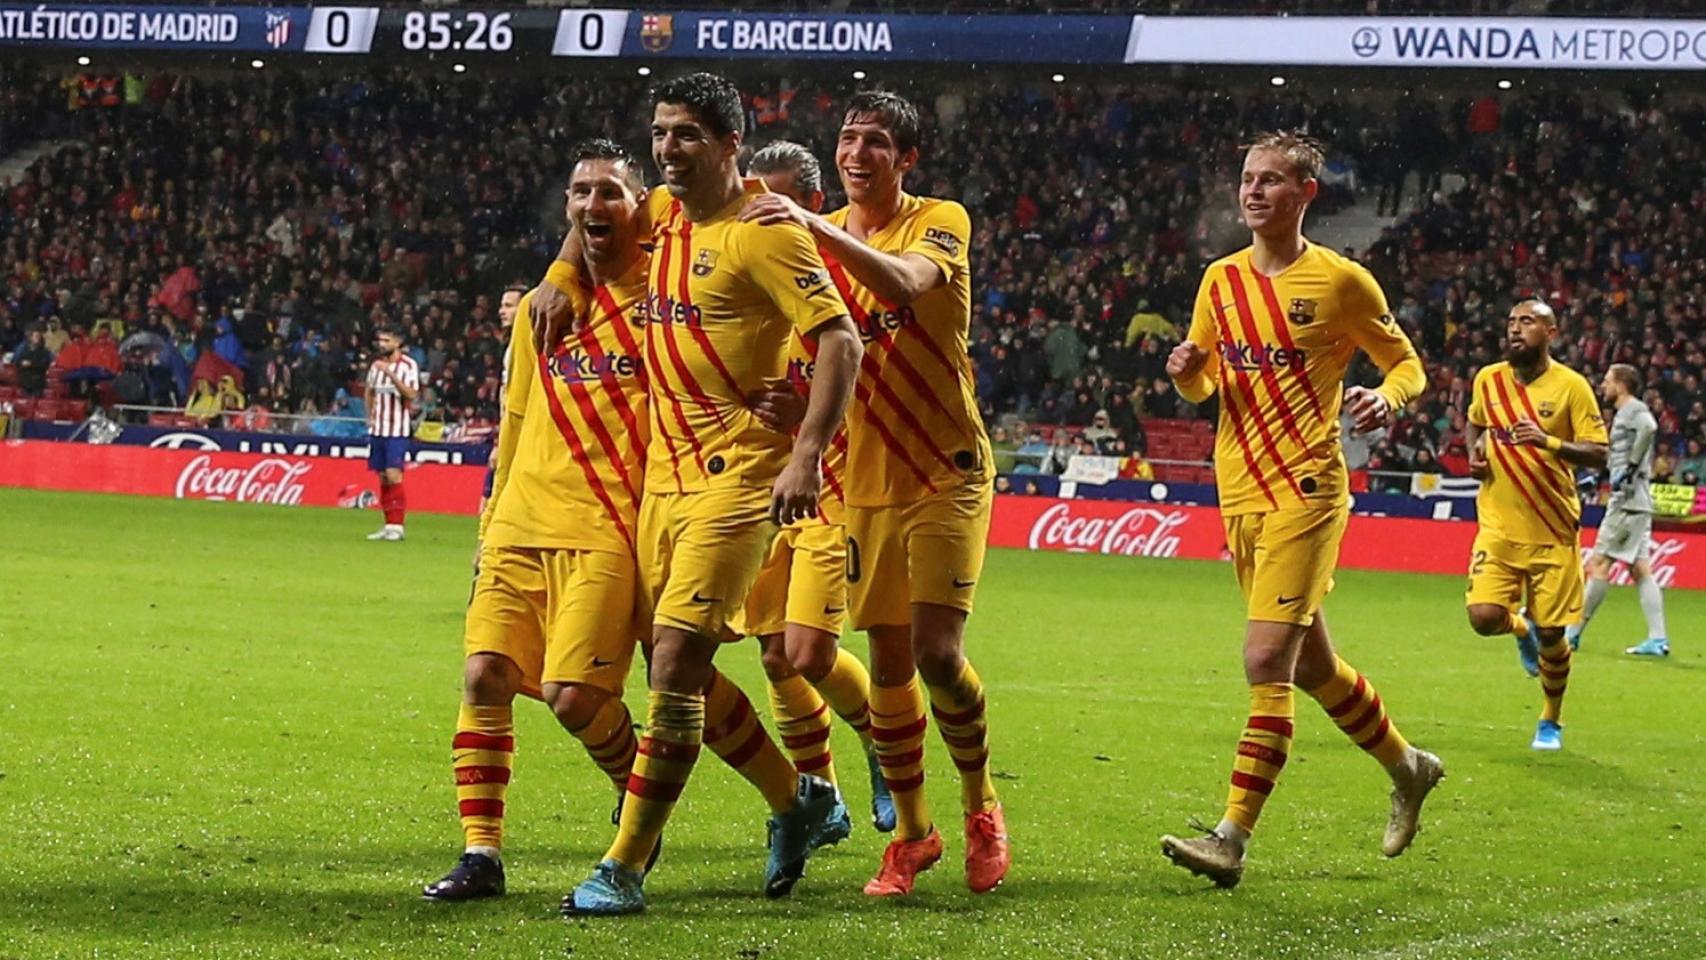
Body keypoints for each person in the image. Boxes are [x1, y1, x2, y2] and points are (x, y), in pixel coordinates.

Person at [530, 74, 864, 917]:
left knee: (676, 661)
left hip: (741, 477)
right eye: (660, 134)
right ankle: (798, 800)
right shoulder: (668, 217)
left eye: (685, 135)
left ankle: (624, 866)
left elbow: (841, 341)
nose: (667, 150)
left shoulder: (765, 234)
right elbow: (591, 222)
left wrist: (806, 451)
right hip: (662, 482)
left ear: (727, 145)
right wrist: (556, 279)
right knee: (674, 662)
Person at [739, 90, 1010, 897]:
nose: (858, 152)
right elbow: (816, 367)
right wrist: (794, 410)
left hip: (946, 471)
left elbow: (901, 286)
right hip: (860, 485)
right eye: (849, 138)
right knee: (890, 665)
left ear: (906, 159)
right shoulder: (809, 263)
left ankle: (980, 805)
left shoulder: (940, 220)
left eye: (877, 142)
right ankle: (917, 837)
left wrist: (807, 222)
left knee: (937, 654)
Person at [1160, 131, 1444, 889]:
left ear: (1307, 193)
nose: (1254, 191)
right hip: (1239, 492)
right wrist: (1186, 372)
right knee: (1313, 665)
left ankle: (1230, 837)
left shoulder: (1342, 282)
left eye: (1273, 181)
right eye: (1248, 179)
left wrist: (1386, 398)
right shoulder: (1218, 281)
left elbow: (1407, 363)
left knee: (1264, 662)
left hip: (1307, 491)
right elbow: (1205, 386)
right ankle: (1408, 766)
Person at [424, 143, 655, 903]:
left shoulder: (662, 303)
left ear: (640, 205)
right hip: (520, 521)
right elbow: (515, 416)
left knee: (572, 697)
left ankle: (636, 793)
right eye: (580, 192)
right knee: (484, 673)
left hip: (607, 526)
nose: (593, 204)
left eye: (611, 192)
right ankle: (481, 854)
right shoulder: (537, 311)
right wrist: (489, 522)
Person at [744, 139, 896, 836]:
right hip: (756, 489)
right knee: (774, 655)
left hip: (832, 484)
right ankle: (822, 796)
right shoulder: (741, 268)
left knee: (807, 650)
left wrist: (804, 420)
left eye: (773, 202)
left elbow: (862, 373)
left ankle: (885, 746)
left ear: (809, 203)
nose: (760, 214)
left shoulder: (842, 274)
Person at [1463, 298, 1608, 750]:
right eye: (1510, 321)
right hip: (1499, 525)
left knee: (1554, 634)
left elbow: (1598, 452)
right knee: (1484, 618)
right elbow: (1475, 423)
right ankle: (1518, 629)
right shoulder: (1488, 380)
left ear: (1552, 332)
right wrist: (1475, 451)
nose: (1515, 329)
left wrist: (1546, 441)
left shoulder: (1572, 387)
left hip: (1552, 528)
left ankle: (1550, 718)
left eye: (1527, 321)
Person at [1567, 364, 1669, 658]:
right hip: (1636, 500)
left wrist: (1631, 468)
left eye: (1608, 381)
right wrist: (1600, 475)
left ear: (1621, 385)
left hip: (1626, 501)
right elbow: (1620, 454)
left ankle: (1572, 633)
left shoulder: (1633, 410)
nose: (1603, 385)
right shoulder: (1625, 414)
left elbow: (1650, 428)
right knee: (1640, 570)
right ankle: (1658, 639)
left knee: (1599, 563)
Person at [363, 323, 420, 541]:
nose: (382, 344)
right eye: (380, 340)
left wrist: (391, 375)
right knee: (383, 476)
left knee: (394, 474)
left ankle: (398, 526)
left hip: (397, 430)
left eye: (386, 340)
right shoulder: (375, 366)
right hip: (378, 429)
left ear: (398, 343)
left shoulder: (408, 366)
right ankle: (388, 525)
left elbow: (412, 394)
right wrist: (369, 418)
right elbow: (369, 392)